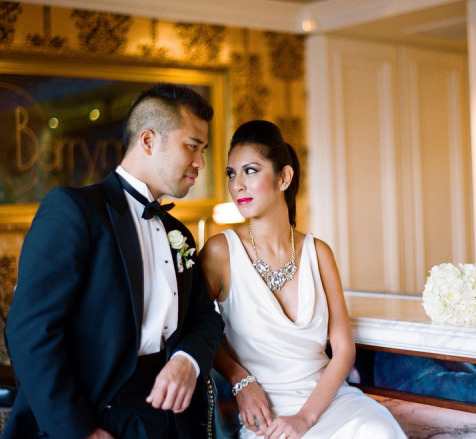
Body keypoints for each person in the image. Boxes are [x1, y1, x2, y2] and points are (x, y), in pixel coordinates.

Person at [4, 83, 224, 439]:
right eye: (192, 146)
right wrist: (77, 431)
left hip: (169, 424)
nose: (200, 162)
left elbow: (206, 319)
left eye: (203, 149)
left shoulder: (179, 234)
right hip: (94, 418)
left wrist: (188, 360)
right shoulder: (74, 211)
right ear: (149, 141)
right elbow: (30, 332)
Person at [200, 120, 405, 439]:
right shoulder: (220, 252)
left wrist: (306, 418)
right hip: (266, 415)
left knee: (378, 430)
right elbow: (194, 330)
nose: (237, 184)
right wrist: (240, 379)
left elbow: (343, 350)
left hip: (330, 403)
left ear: (284, 177)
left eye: (250, 170)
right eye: (231, 173)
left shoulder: (318, 252)